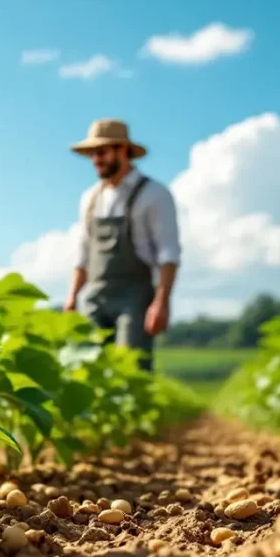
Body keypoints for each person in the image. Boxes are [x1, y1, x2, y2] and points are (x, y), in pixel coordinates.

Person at [63, 118, 181, 372]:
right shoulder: (90, 198)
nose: (96, 159)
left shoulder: (154, 194)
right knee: (88, 368)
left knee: (131, 369)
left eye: (102, 152)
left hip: (134, 297)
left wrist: (162, 302)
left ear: (123, 151)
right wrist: (72, 297)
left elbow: (168, 253)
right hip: (94, 296)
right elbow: (82, 254)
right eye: (93, 154)